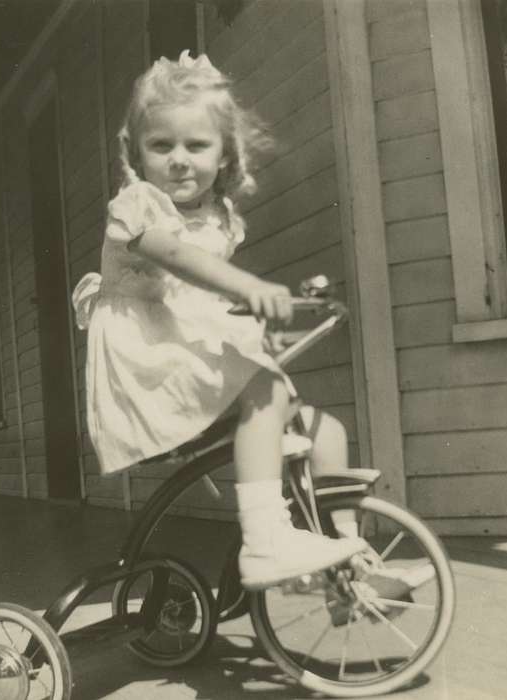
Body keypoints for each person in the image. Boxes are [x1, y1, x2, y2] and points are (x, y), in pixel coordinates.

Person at [70, 51, 368, 591]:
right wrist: (251, 288)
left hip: (183, 349)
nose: (179, 160)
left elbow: (200, 300)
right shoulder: (138, 207)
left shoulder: (218, 220)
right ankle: (263, 541)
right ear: (136, 153)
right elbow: (179, 262)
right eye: (161, 146)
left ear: (223, 153)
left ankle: (349, 556)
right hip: (147, 367)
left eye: (196, 145)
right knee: (267, 389)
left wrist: (267, 313)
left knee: (326, 431)